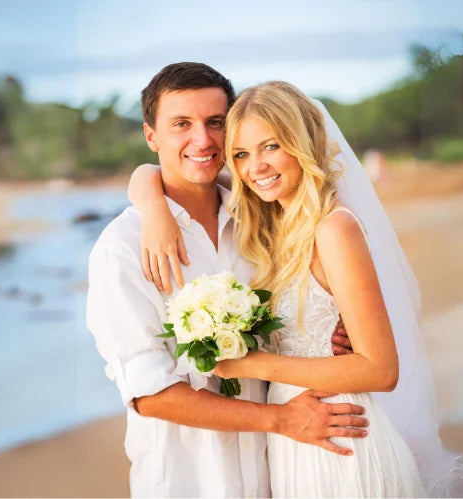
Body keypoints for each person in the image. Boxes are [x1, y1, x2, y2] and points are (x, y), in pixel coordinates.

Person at [130, 81, 463, 497]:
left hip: (341, 440)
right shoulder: (271, 228)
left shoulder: (334, 229)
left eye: (272, 146)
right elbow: (151, 172)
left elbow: (381, 369)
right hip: (294, 443)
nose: (256, 167)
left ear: (302, 144)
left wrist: (252, 365)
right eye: (241, 154)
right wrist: (152, 203)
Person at [86, 63, 370, 498]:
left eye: (215, 123)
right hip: (191, 478)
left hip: (280, 469)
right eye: (181, 124)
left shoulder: (261, 219)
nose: (202, 140)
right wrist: (281, 420)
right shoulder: (121, 248)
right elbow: (149, 392)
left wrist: (337, 321)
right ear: (151, 137)